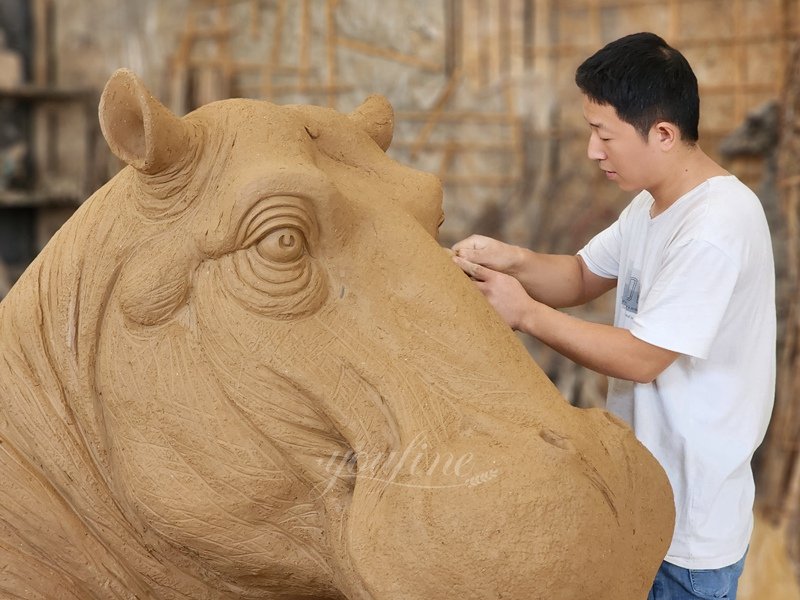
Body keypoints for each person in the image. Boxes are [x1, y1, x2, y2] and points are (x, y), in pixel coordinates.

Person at [452, 32, 775, 600]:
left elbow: (642, 359)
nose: (592, 151)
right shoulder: (652, 204)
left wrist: (523, 312)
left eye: (604, 134)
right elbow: (579, 275)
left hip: (688, 527)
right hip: (638, 496)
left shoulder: (716, 226)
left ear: (663, 134)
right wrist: (513, 259)